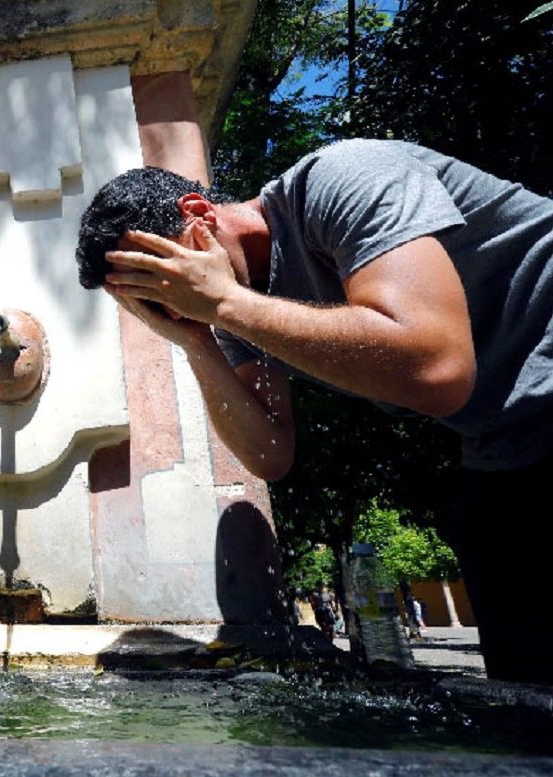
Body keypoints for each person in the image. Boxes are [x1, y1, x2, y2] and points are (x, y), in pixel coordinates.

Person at [76, 139, 553, 684]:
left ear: (198, 215)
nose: (171, 305)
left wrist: (223, 305)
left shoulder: (344, 179)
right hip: (506, 445)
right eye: (148, 302)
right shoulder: (235, 306)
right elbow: (269, 453)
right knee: (524, 697)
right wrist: (196, 340)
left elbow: (437, 368)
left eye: (163, 281)